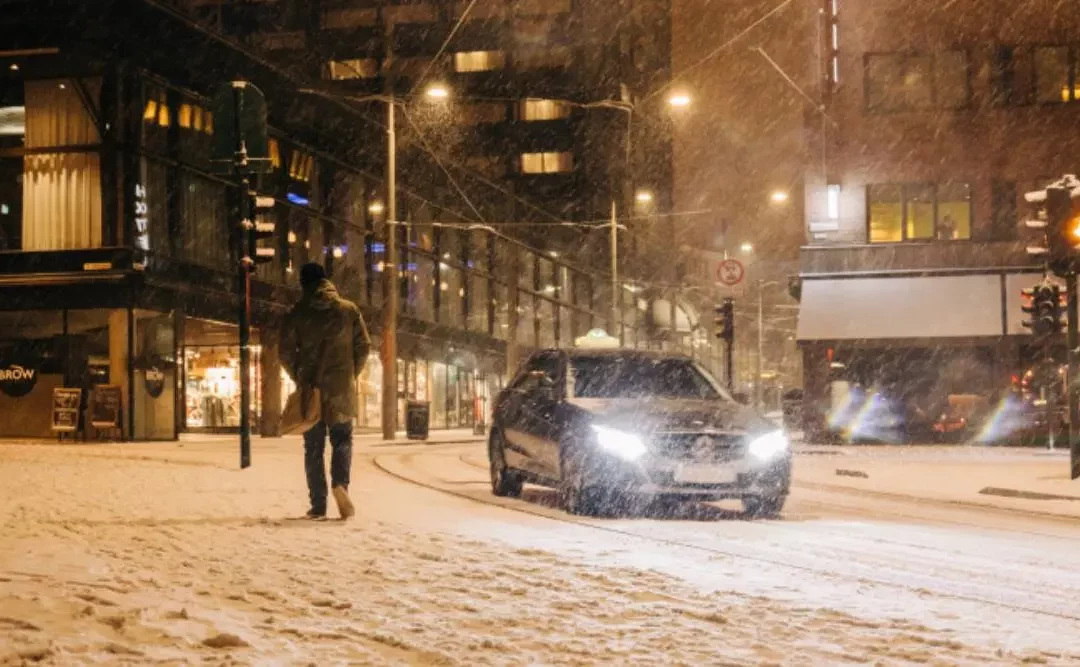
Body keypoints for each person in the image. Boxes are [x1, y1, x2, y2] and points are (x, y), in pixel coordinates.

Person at [281, 262, 371, 520]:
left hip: (312, 390)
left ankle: (318, 504)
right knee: (342, 440)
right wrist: (349, 374)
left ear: (304, 284)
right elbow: (363, 346)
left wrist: (300, 375)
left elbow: (285, 351)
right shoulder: (348, 310)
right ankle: (340, 484)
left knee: (313, 446)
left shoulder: (297, 313)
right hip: (341, 389)